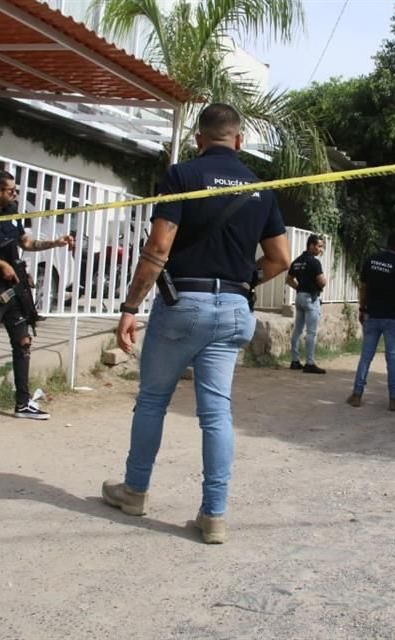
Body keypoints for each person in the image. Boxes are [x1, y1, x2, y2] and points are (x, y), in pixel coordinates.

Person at [101, 104, 290, 544]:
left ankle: (135, 491)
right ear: (239, 140)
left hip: (183, 304)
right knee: (216, 413)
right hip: (234, 310)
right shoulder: (262, 189)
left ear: (199, 139)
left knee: (152, 401)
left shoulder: (182, 176)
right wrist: (245, 280)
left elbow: (158, 247)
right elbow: (280, 260)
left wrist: (131, 307)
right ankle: (214, 516)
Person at [0, 170, 74, 421]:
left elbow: (27, 243)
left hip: (16, 290)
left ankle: (23, 403)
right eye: (11, 190)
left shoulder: (12, 215)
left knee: (23, 343)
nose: (15, 195)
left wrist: (55, 242)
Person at [346, 231, 395, 411]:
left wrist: (362, 309)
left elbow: (363, 288)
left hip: (372, 314)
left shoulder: (371, 260)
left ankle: (356, 395)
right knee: (392, 359)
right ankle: (394, 399)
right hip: (392, 317)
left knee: (366, 356)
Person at [286, 234, 327, 373]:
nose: (320, 249)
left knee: (297, 330)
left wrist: (299, 288)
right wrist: (318, 285)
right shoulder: (314, 262)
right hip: (311, 298)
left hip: (299, 298)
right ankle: (309, 363)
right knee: (311, 332)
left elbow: (289, 279)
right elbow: (322, 281)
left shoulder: (297, 261)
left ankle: (295, 361)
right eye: (319, 246)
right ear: (311, 245)